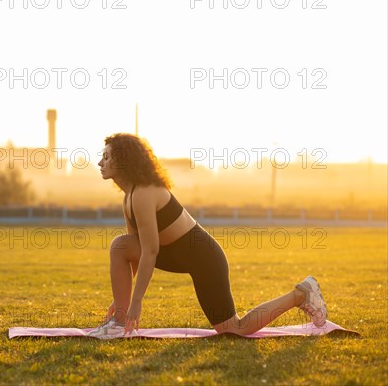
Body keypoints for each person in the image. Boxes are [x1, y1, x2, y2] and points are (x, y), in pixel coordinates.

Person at [87, 133, 327, 339]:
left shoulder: (144, 193)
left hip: (204, 258)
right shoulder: (129, 197)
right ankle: (118, 324)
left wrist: (136, 302)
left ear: (124, 161)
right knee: (121, 245)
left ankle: (301, 294)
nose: (100, 162)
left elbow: (150, 251)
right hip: (174, 255)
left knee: (234, 329)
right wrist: (122, 302)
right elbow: (136, 250)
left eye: (106, 157)